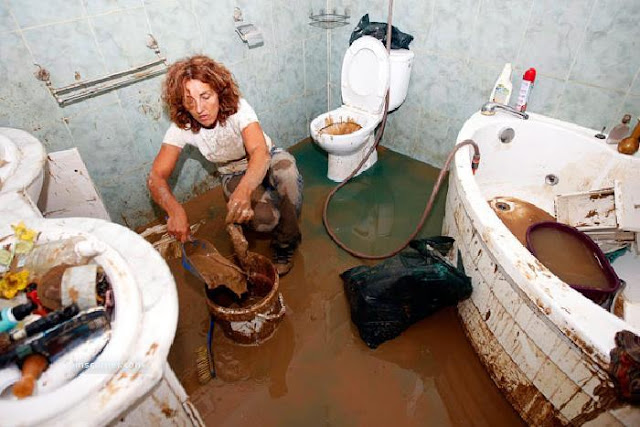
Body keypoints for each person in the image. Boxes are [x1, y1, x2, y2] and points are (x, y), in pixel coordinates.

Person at [148, 55, 303, 275]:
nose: (200, 108)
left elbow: (259, 152)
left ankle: (285, 244)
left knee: (288, 175)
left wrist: (244, 192)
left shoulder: (238, 108)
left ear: (218, 92)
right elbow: (156, 176)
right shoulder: (182, 127)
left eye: (205, 96)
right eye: (189, 100)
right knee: (266, 220)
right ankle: (271, 203)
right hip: (231, 170)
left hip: (264, 155)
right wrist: (174, 210)